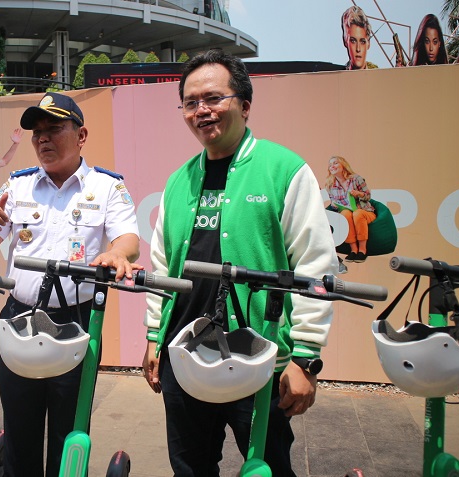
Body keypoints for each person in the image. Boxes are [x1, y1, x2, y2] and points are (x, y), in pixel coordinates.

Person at [141, 49, 337, 476]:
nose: (202, 111)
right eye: (190, 102)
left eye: (213, 98)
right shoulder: (179, 181)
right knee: (190, 468)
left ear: (245, 105)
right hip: (185, 356)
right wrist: (155, 336)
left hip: (259, 359)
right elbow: (161, 266)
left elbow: (316, 266)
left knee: (266, 468)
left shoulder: (284, 170)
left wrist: (305, 359)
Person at [0, 92, 141, 477]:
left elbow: (128, 240)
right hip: (19, 318)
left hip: (77, 323)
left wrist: (118, 255)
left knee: (69, 431)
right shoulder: (17, 185)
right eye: (36, 133)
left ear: (81, 135)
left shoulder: (107, 187)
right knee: (20, 427)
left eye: (53, 129)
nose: (42, 139)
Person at [325, 156, 375, 263]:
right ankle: (353, 250)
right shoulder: (330, 184)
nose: (332, 166)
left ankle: (362, 250)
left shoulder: (356, 179)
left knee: (357, 214)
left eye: (335, 163)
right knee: (345, 215)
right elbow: (333, 202)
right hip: (346, 211)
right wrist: (334, 204)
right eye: (330, 165)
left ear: (343, 165)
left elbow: (368, 196)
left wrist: (359, 194)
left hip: (364, 211)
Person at [341, 6, 372, 70]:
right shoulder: (338, 77)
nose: (358, 49)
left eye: (362, 42)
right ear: (345, 41)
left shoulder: (378, 76)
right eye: (353, 41)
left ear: (368, 43)